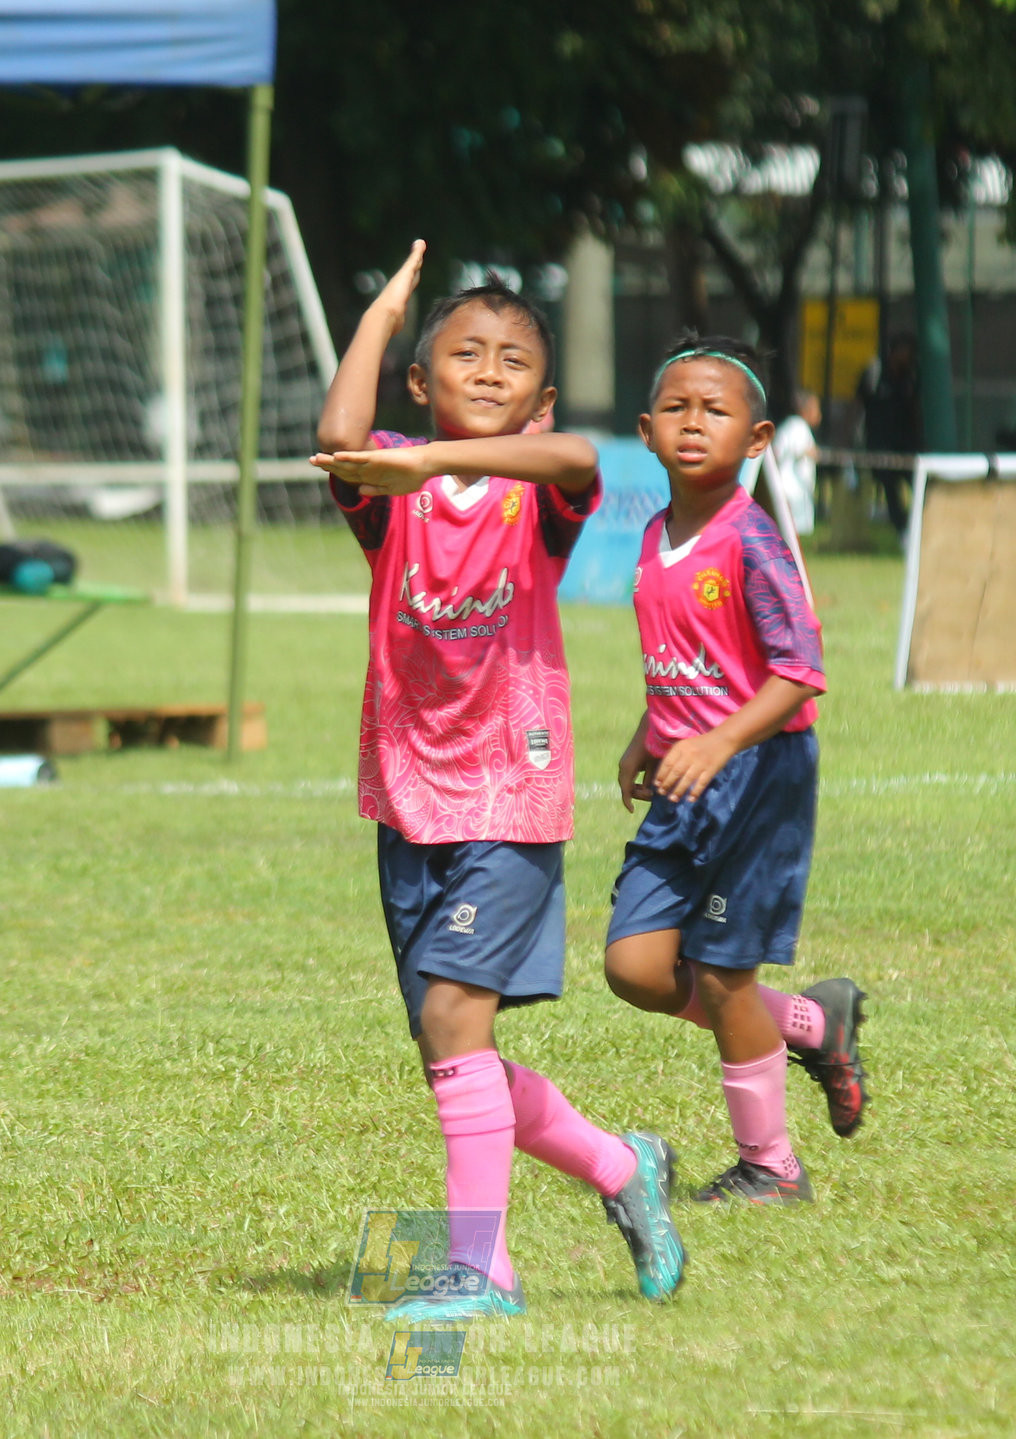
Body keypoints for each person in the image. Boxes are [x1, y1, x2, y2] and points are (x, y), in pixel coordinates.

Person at [311, 240, 685, 1324]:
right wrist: (381, 314)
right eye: (462, 355)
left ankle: (479, 1271)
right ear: (420, 385)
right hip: (406, 794)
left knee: (453, 1011)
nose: (486, 370)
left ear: (540, 394)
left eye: (511, 359)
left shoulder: (532, 495)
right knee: (452, 1044)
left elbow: (576, 463)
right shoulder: (389, 484)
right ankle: (621, 1167)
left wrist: (427, 461)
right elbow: (338, 438)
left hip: (508, 797)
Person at [601, 333, 868, 1205]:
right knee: (636, 967)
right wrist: (653, 728)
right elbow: (695, 655)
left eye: (715, 411)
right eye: (676, 408)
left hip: (758, 779)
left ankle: (772, 1165)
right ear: (645, 429)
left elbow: (798, 673)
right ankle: (811, 1022)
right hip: (686, 783)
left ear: (756, 440)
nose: (692, 423)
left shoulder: (752, 541)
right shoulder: (651, 537)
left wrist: (719, 740)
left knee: (720, 974)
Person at [858, 332, 920, 531]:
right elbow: (861, 402)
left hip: (905, 443)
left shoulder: (910, 377)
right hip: (880, 442)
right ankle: (900, 528)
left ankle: (919, 524)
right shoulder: (875, 373)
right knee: (889, 486)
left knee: (916, 483)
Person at [768, 388, 821, 535]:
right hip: (794, 485)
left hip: (789, 483)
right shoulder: (799, 426)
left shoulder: (789, 425)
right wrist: (811, 452)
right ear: (806, 409)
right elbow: (799, 449)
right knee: (793, 525)